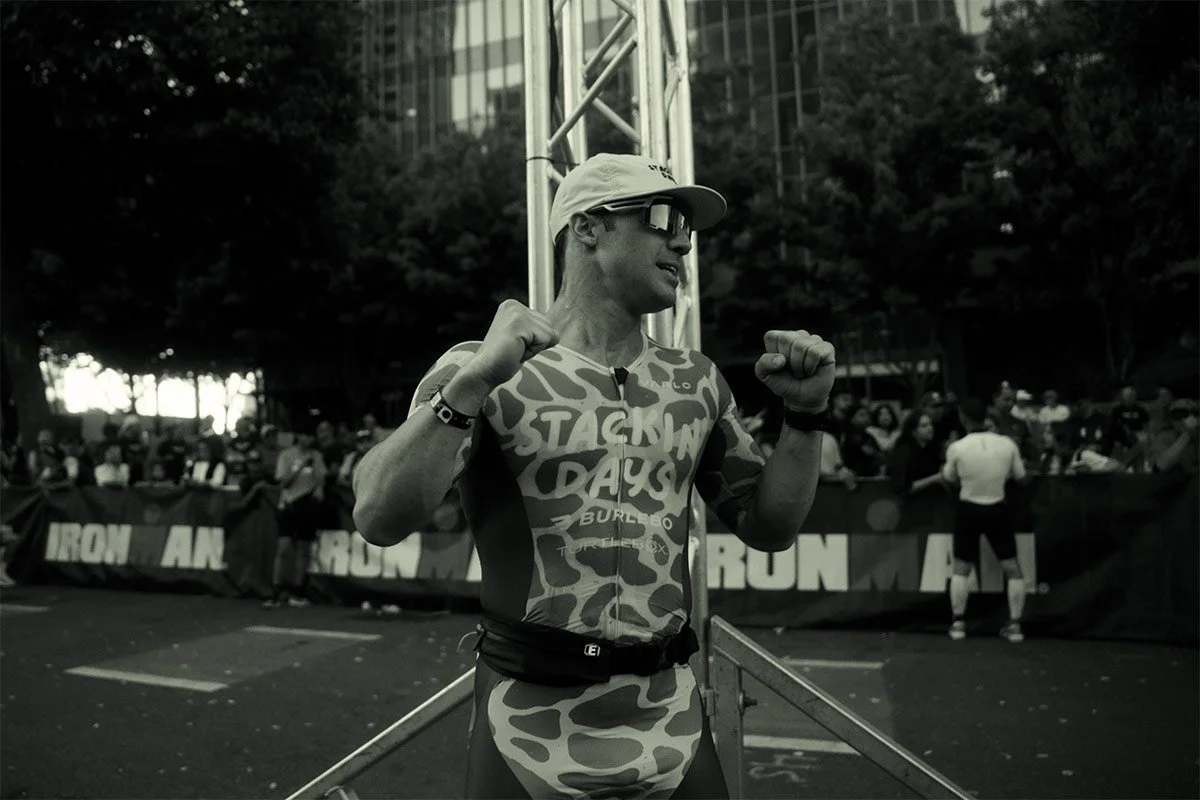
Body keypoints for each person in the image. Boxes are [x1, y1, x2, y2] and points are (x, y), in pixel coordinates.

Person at [351, 152, 836, 800]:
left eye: (688, 228)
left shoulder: (695, 381)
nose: (683, 242)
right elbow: (376, 516)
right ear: (587, 227)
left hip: (668, 719)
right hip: (527, 725)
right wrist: (471, 383)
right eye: (662, 218)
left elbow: (769, 527)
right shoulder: (483, 367)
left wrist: (805, 416)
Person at [941, 398, 1030, 643]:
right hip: (997, 508)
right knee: (1012, 567)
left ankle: (958, 623)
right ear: (987, 416)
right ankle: (1015, 625)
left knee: (961, 568)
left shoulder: (957, 447)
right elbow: (1022, 478)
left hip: (969, 508)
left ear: (963, 418)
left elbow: (949, 478)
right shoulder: (1007, 444)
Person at [264, 426, 327, 609]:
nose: (307, 440)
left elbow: (321, 478)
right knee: (283, 548)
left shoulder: (316, 456)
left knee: (303, 549)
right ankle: (276, 592)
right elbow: (283, 482)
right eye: (304, 435)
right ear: (298, 436)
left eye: (310, 436)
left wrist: (319, 488)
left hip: (307, 507)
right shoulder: (286, 455)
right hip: (288, 505)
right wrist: (300, 466)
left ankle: (297, 592)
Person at [1148, 398, 1199, 474]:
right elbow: (1160, 467)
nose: (1182, 419)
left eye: (1186, 415)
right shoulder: (1164, 438)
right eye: (1177, 415)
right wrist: (1187, 434)